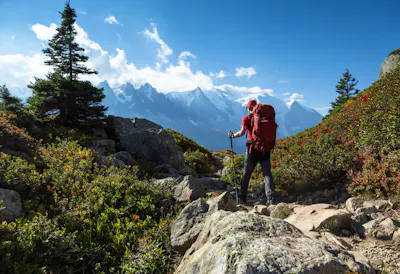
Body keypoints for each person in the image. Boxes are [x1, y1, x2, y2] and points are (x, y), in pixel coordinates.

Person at [228, 99, 275, 205]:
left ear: (249, 108)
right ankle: (270, 199)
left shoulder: (246, 118)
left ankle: (242, 198)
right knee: (267, 174)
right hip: (265, 149)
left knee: (247, 173)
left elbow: (242, 132)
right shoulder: (265, 117)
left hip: (252, 149)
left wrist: (233, 136)